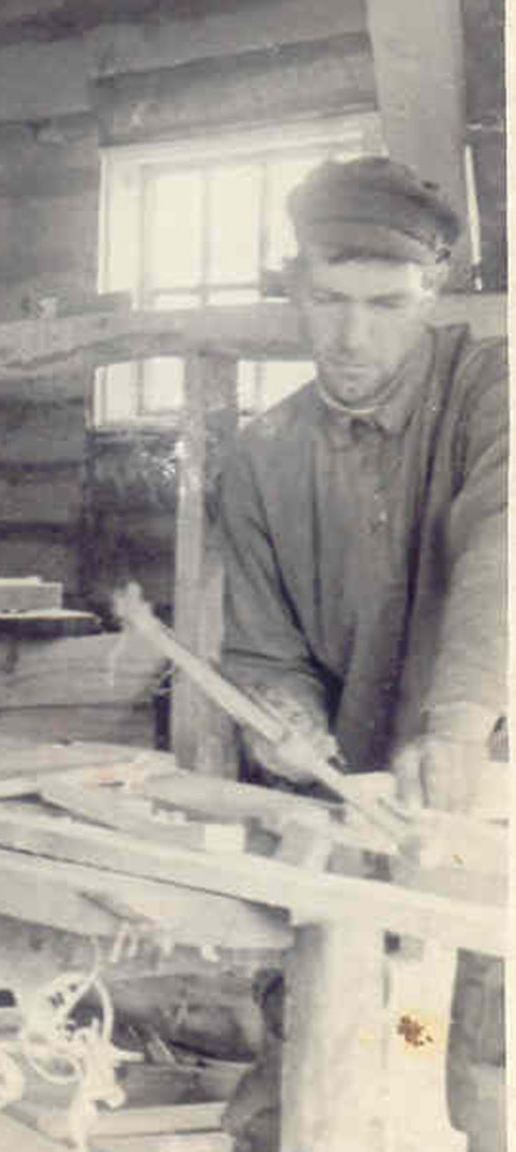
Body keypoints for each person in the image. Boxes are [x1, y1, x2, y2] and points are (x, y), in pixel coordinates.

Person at [212, 157, 507, 1152]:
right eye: (330, 300)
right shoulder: (264, 456)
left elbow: (505, 555)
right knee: (310, 1067)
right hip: (358, 810)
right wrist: (284, 719)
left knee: (475, 1060)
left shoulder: (494, 395)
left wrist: (460, 723)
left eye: (387, 306)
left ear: (434, 291)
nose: (352, 337)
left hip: (487, 796)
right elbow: (264, 650)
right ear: (295, 286)